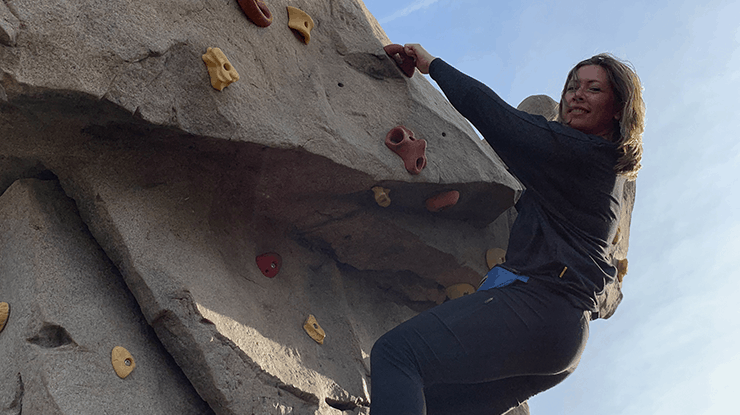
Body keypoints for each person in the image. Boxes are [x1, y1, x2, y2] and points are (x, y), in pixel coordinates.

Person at [369, 44, 645, 415]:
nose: (576, 95)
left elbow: (503, 121)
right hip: (561, 336)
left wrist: (432, 65)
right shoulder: (589, 171)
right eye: (572, 86)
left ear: (617, 109)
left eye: (593, 89)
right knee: (437, 406)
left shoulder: (588, 154)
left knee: (398, 353)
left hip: (542, 307)